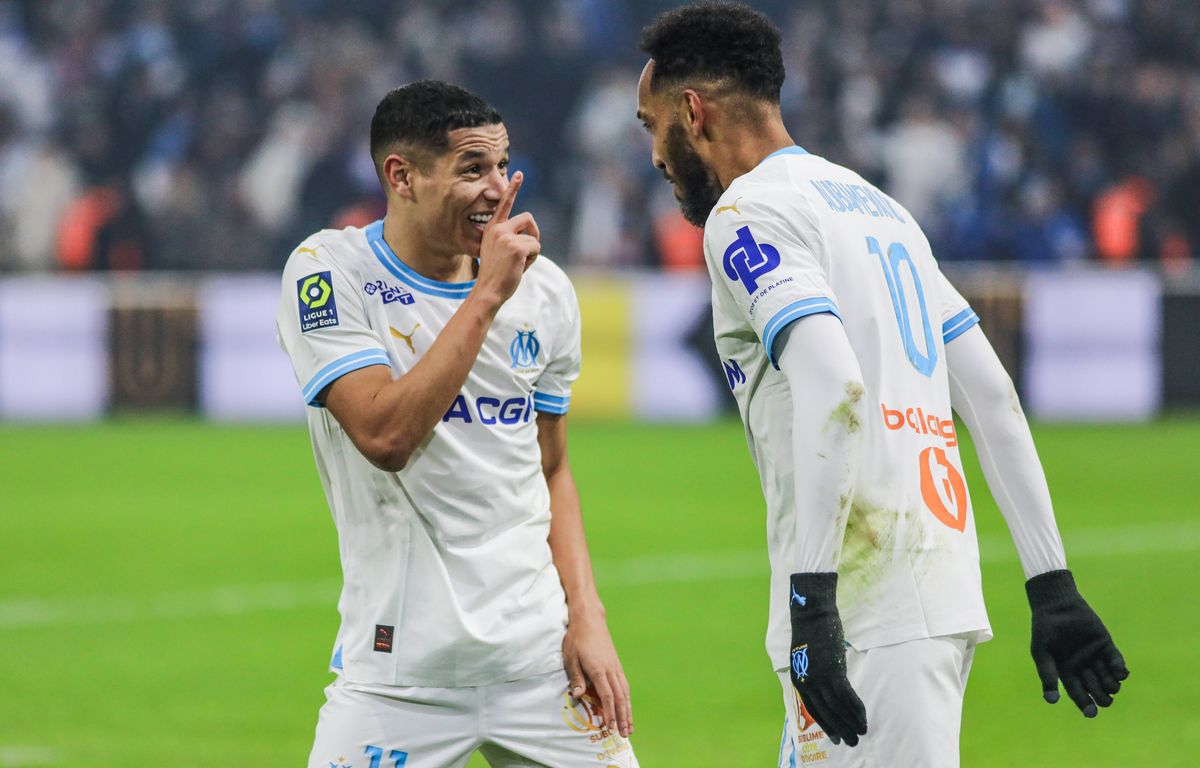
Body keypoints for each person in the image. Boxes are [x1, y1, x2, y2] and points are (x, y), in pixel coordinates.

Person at [635, 4, 1128, 766]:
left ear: (692, 113)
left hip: (865, 609)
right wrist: (1050, 584)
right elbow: (991, 396)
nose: (656, 155)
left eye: (651, 125)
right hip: (932, 590)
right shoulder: (880, 210)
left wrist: (812, 607)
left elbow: (834, 388)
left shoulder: (745, 212)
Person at [276, 80, 637, 768]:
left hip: (541, 666)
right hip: (398, 674)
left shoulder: (548, 292)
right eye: (473, 169)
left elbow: (552, 467)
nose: (497, 189)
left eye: (502, 167)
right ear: (401, 176)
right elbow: (385, 438)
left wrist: (588, 618)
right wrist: (487, 294)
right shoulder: (328, 273)